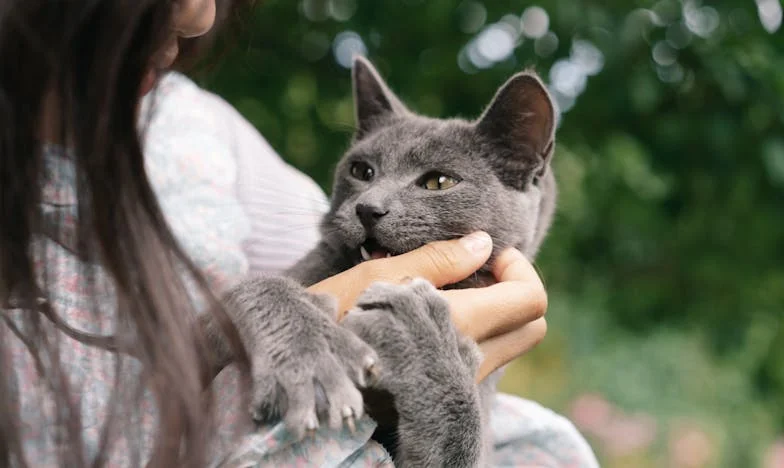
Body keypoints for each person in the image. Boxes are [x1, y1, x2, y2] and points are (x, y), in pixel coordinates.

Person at [0, 1, 596, 467]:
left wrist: (447, 394)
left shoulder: (207, 138)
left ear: (524, 173)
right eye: (363, 169)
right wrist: (277, 302)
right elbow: (198, 348)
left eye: (435, 182)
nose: (373, 202)